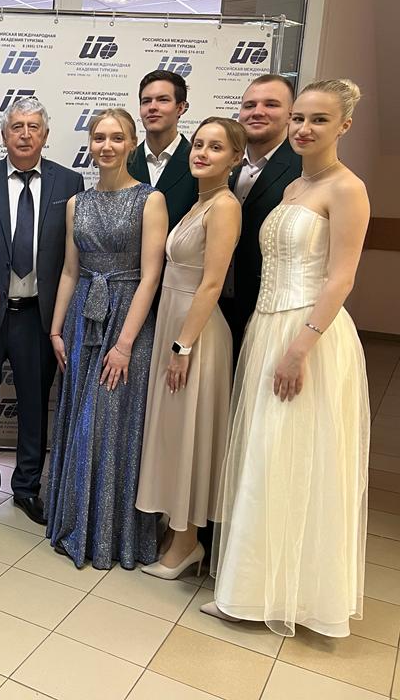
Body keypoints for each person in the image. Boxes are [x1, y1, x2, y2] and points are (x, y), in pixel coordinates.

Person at [204, 80, 370, 638]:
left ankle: (294, 595)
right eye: (298, 117)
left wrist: (300, 347)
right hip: (268, 328)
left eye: (318, 120)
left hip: (309, 337)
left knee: (295, 458)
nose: (303, 128)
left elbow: (341, 277)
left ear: (344, 125)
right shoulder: (296, 185)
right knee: (266, 457)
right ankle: (250, 588)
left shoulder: (347, 188)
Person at [45, 108, 167, 570]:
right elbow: (70, 270)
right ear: (90, 143)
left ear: (132, 143)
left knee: (111, 423)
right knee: (81, 420)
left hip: (126, 320)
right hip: (83, 319)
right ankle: (76, 522)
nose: (107, 146)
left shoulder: (150, 200)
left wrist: (125, 344)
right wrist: (56, 328)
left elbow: (151, 275)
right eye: (99, 137)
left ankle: (111, 535)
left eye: (117, 137)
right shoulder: (78, 202)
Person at [0, 97, 84, 525]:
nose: (25, 134)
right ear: (4, 134)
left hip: (38, 316)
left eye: (33, 127)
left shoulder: (70, 182)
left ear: (45, 135)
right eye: (17, 127)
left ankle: (27, 487)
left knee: (34, 403)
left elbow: (73, 254)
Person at [136, 117, 244, 580]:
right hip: (174, 325)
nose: (201, 153)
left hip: (195, 334)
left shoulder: (225, 206)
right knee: (174, 432)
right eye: (198, 144)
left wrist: (183, 346)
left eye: (215, 147)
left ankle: (187, 542)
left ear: (235, 158)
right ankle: (176, 531)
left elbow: (212, 283)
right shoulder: (199, 203)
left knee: (189, 436)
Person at [219, 74, 303, 356]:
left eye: (271, 104)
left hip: (270, 312)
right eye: (250, 105)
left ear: (290, 115)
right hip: (218, 307)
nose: (258, 111)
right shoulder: (223, 164)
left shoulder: (303, 169)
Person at [128, 70, 198, 232]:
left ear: (181, 108)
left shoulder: (198, 162)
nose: (152, 107)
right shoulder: (124, 163)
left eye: (163, 100)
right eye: (146, 101)